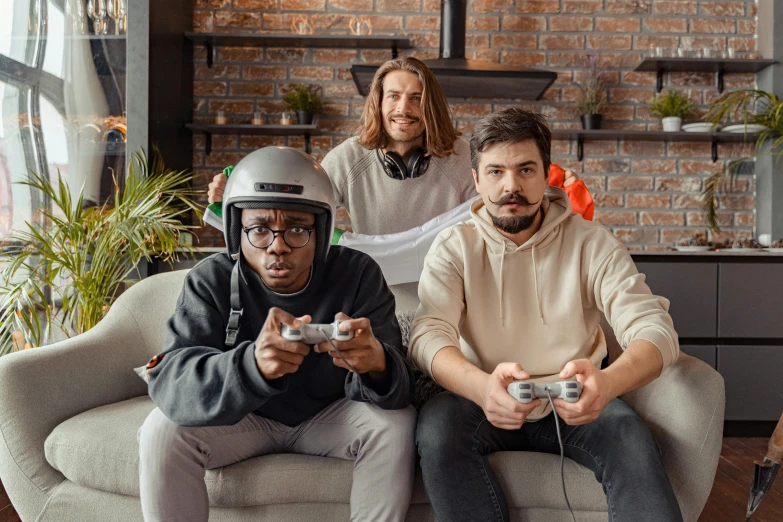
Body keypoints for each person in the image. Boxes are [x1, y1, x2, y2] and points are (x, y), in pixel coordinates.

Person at [409, 108, 682, 522]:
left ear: (547, 173)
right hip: (484, 399)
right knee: (437, 428)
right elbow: (427, 334)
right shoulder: (453, 247)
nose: (511, 186)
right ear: (477, 180)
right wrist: (483, 389)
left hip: (576, 402)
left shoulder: (593, 243)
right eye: (496, 172)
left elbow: (655, 329)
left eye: (525, 169)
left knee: (629, 433)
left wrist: (607, 384)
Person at [137, 146, 416, 522]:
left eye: (298, 228)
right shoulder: (212, 279)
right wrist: (250, 366)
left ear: (322, 231)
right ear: (237, 231)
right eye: (259, 229)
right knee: (160, 429)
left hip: (330, 418)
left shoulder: (358, 274)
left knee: (394, 425)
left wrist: (378, 364)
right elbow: (172, 382)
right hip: (243, 419)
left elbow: (401, 388)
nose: (278, 245)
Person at [206, 57, 594, 235]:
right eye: (393, 96)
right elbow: (297, 212)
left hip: (450, 285)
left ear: (431, 105)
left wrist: (566, 192)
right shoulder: (346, 159)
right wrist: (235, 199)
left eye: (415, 97)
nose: (403, 109)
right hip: (373, 286)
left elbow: (505, 211)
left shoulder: (464, 158)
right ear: (378, 102)